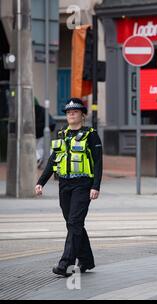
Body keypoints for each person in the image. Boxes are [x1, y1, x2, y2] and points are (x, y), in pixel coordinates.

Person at [35, 98, 103, 277]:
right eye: (68, 112)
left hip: (83, 184)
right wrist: (41, 182)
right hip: (64, 184)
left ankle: (65, 263)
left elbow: (98, 163)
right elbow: (52, 160)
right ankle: (87, 260)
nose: (71, 114)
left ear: (83, 115)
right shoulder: (62, 134)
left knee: (74, 222)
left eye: (75, 111)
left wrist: (96, 186)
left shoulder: (91, 134)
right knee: (73, 223)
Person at [34, 98, 56, 168]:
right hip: (44, 131)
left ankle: (40, 161)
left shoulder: (35, 110)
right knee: (42, 147)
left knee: (39, 148)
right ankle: (42, 161)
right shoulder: (42, 110)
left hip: (40, 132)